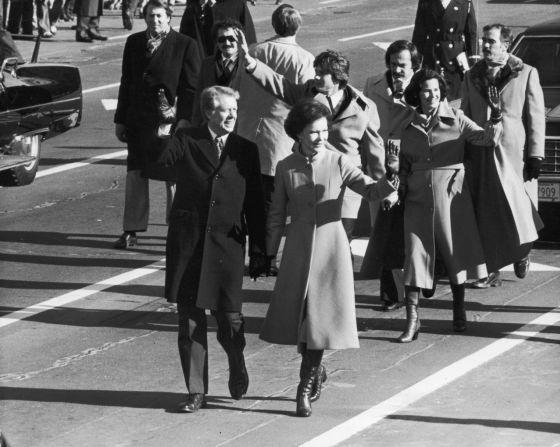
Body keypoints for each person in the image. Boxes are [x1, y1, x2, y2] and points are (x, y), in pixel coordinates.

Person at [260, 98, 399, 417]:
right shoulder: (285, 167)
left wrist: (390, 178)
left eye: (324, 130)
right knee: (303, 318)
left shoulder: (338, 161)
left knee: (318, 318)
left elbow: (371, 191)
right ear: (298, 134)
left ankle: (304, 386)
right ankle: (316, 369)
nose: (321, 137)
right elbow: (276, 214)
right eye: (313, 132)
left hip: (331, 247)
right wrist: (268, 253)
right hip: (297, 248)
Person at [158, 86, 267, 413]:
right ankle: (196, 391)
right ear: (208, 113)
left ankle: (236, 359)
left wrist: (261, 251)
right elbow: (160, 164)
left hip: (227, 246)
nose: (232, 115)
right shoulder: (186, 139)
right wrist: (165, 131)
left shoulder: (246, 150)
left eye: (235, 109)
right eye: (225, 110)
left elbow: (255, 204)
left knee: (230, 319)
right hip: (189, 244)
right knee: (189, 320)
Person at [238, 31, 386, 246]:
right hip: (312, 176)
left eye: (321, 74)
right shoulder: (309, 92)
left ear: (337, 78)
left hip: (345, 183)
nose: (315, 77)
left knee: (340, 241)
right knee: (309, 240)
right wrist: (252, 64)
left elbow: (375, 152)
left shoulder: (364, 108)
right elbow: (281, 86)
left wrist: (384, 189)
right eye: (315, 72)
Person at [396, 68, 502, 342]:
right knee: (414, 256)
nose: (431, 95)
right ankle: (412, 322)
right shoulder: (406, 127)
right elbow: (400, 165)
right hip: (417, 199)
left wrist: (496, 115)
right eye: (425, 90)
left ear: (442, 92)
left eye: (435, 90)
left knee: (456, 255)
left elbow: (487, 139)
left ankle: (459, 311)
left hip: (452, 196)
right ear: (417, 94)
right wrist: (396, 189)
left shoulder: (457, 119)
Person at [462, 24, 545, 289]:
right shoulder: (471, 76)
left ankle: (522, 250)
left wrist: (535, 155)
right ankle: (491, 270)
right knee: (486, 213)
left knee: (519, 211)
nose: (485, 46)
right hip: (482, 153)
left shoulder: (525, 73)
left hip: (514, 156)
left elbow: (535, 118)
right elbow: (462, 115)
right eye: (484, 41)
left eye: (491, 41)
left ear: (505, 45)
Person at [113, 0, 201, 249]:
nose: (155, 21)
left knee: (171, 176)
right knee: (135, 174)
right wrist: (120, 119)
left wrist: (184, 119)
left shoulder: (185, 45)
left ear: (169, 17)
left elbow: (191, 87)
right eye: (151, 16)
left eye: (160, 16)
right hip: (137, 121)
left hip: (168, 123)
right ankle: (131, 229)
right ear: (145, 17)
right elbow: (126, 82)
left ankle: (175, 229)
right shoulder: (134, 43)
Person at [236, 3, 314, 274]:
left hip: (246, 133)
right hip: (277, 139)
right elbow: (304, 103)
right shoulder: (304, 59)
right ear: (298, 26)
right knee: (273, 207)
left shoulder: (255, 51)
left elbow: (237, 88)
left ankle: (254, 255)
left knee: (249, 202)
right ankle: (269, 257)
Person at [360, 40, 419, 311]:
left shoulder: (422, 87)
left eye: (403, 65)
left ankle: (418, 286)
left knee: (410, 231)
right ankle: (391, 294)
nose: (397, 70)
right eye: (393, 64)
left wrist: (407, 97)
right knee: (383, 230)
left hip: (412, 167)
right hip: (380, 166)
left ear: (414, 66)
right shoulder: (372, 86)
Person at [412, 0, 477, 101]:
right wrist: (414, 63)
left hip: (455, 60)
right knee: (431, 97)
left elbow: (472, 34)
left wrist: (474, 63)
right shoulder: (426, 2)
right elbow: (419, 34)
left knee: (456, 100)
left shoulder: (465, 2)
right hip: (433, 57)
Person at [191, 18, 243, 126]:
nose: (227, 43)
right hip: (212, 126)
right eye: (222, 39)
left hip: (239, 127)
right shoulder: (207, 64)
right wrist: (195, 126)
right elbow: (199, 99)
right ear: (216, 42)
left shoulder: (247, 64)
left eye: (231, 38)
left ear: (239, 39)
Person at [179, 0, 256, 58]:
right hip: (204, 72)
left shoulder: (237, 5)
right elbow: (184, 47)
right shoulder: (192, 9)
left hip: (234, 70)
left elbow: (250, 43)